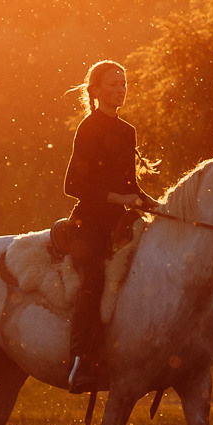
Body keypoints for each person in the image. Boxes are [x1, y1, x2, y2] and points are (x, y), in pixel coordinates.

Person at [60, 59, 149, 391]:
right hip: (88, 225)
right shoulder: (89, 127)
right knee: (94, 278)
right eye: (112, 84)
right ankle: (81, 360)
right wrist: (120, 199)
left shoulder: (128, 131)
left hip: (120, 224)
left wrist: (149, 201)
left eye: (123, 83)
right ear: (95, 90)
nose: (120, 89)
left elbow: (130, 185)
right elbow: (74, 186)